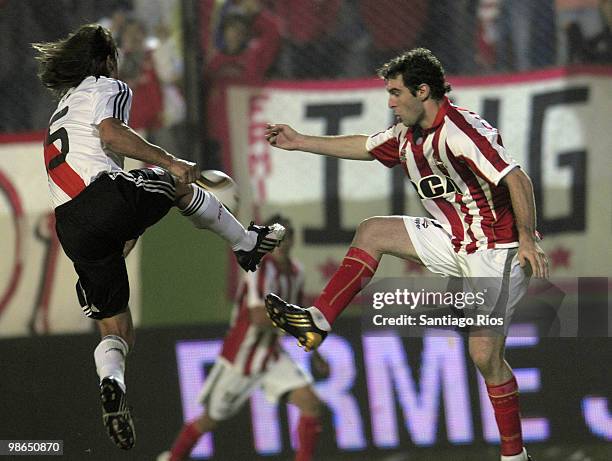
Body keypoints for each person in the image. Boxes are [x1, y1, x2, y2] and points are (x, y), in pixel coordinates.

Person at [264, 48, 548, 461]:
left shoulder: (461, 131)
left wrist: (526, 238)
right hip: (453, 239)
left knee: (484, 355)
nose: (390, 101)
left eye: (396, 93)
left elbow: (516, 178)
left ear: (423, 90)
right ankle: (316, 323)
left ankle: (514, 455)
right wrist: (299, 141)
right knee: (373, 231)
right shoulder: (405, 136)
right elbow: (363, 146)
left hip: (496, 248)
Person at [32, 23, 285, 451]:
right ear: (106, 60)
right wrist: (170, 160)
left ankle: (112, 383)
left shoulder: (64, 106)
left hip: (71, 224)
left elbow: (97, 160)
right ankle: (246, 245)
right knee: (178, 185)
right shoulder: (107, 85)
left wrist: (124, 228)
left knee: (116, 327)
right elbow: (111, 133)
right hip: (102, 196)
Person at [158, 215, 327, 461]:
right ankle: (173, 458)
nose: (283, 242)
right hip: (242, 356)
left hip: (271, 354)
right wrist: (298, 327)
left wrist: (316, 351)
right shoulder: (259, 267)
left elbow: (300, 316)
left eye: (287, 236)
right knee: (210, 420)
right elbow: (259, 317)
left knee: (311, 403)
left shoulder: (296, 272)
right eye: (278, 237)